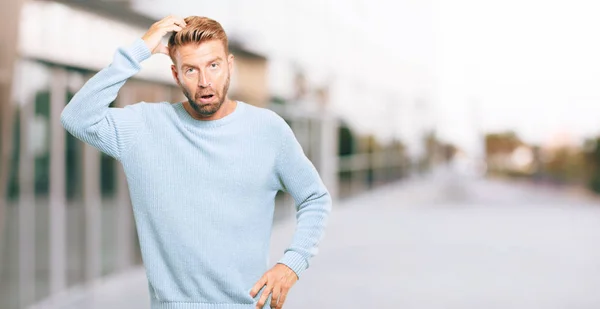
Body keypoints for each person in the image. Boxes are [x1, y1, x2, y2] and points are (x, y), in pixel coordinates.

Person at [60, 15, 332, 309]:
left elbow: (315, 197)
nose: (204, 82)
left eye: (213, 66)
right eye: (191, 70)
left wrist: (292, 264)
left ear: (229, 65)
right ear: (176, 75)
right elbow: (77, 117)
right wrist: (138, 50)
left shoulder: (268, 130)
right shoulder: (144, 127)